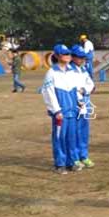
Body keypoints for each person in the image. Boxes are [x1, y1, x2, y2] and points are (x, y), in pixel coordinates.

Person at [41, 44, 81, 174]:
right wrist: (56, 110)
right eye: (64, 54)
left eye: (68, 53)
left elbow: (76, 90)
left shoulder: (72, 71)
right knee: (60, 138)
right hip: (60, 112)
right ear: (57, 56)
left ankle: (71, 162)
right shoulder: (51, 73)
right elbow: (48, 92)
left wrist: (79, 103)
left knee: (72, 137)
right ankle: (60, 163)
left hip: (73, 111)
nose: (68, 56)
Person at [70, 45, 95, 169]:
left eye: (83, 57)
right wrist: (77, 93)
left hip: (85, 102)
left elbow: (90, 84)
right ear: (73, 57)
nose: (82, 60)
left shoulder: (83, 69)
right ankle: (74, 158)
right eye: (79, 57)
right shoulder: (68, 70)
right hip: (74, 104)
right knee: (74, 131)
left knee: (84, 131)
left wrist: (85, 90)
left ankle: (84, 156)